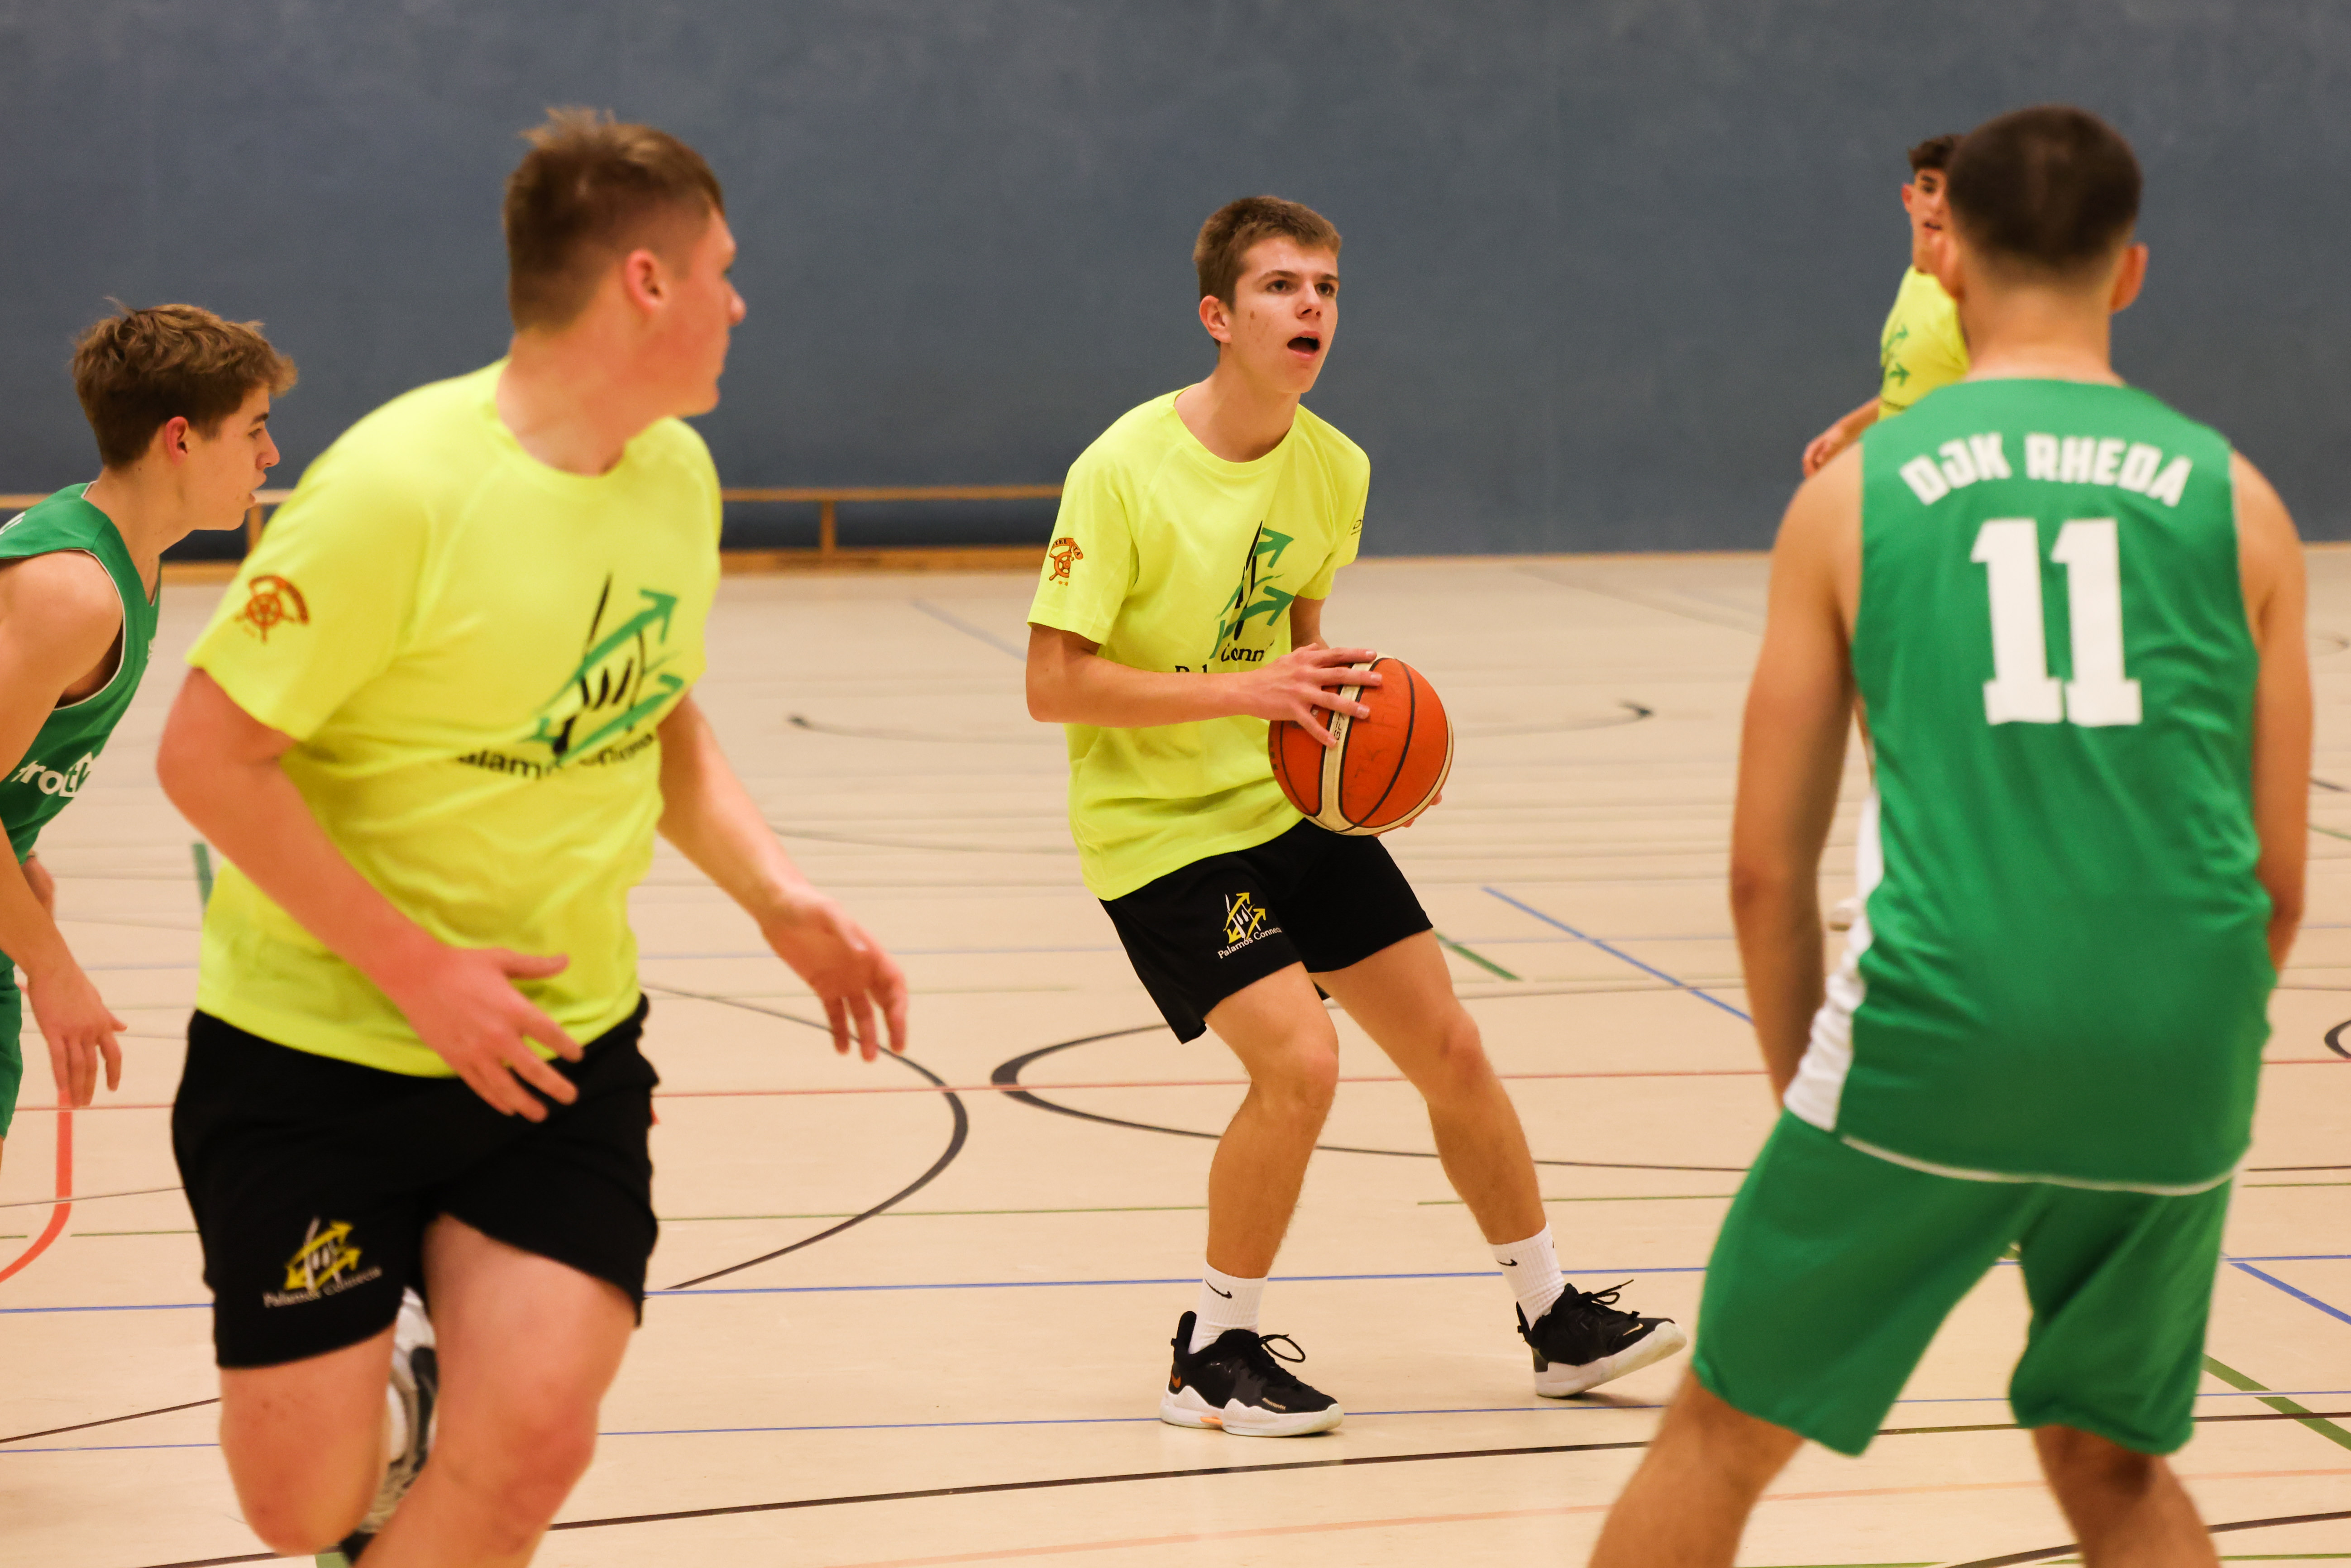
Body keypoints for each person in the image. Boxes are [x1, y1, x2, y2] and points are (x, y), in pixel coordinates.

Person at [155, 111, 910, 1568]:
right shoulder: (396, 490)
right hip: (317, 1053)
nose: (739, 303)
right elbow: (206, 755)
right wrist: (421, 971)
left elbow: (654, 705)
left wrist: (777, 895)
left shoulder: (675, 477)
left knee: (536, 1441)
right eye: (722, 271)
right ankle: (390, 1409)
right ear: (646, 281)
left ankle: (454, 1402)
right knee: (298, 1506)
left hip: (559, 1044)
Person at [1591, 105, 2308, 1567]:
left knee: (1719, 1435)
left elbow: (1764, 872)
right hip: (2177, 1051)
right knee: (2111, 1461)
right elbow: (2277, 885)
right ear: (2130, 272)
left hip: (1939, 1033)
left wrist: (1812, 1093)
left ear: (1950, 263)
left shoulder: (1852, 498)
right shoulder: (2243, 505)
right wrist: (2167, 1045)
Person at [1024, 195, 1685, 1438]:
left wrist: (1363, 762)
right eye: (1281, 286)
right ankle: (1211, 1348)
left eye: (1325, 287)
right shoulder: (1121, 470)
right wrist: (1247, 691)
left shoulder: (1336, 469)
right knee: (1301, 1063)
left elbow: (1304, 652)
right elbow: (1051, 684)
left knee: (1451, 1047)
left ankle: (1552, 1317)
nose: (1311, 306)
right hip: (1158, 830)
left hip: (1280, 808)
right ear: (1219, 316)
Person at [0, 306, 290, 1167]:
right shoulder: (75, 591)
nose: (272, 455)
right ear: (180, 438)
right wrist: (55, 968)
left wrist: (18, 849)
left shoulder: (120, 550)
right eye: (254, 430)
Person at [1801, 134, 1970, 476]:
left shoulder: (1969, 301)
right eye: (1928, 188)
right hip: (1903, 484)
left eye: (1954, 195)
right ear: (1909, 198)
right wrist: (1848, 430)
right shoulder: (1916, 281)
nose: (1938, 204)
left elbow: (2008, 404)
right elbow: (1914, 392)